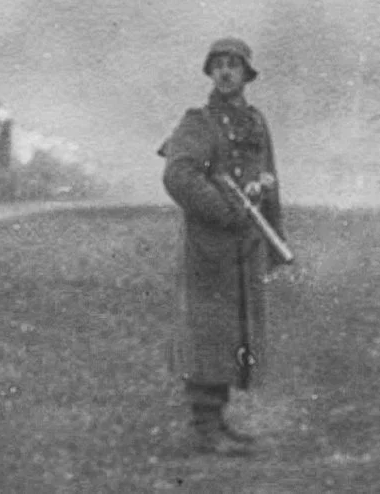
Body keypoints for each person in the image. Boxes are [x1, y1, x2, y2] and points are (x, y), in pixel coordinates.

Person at [157, 37, 286, 457]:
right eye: (219, 66)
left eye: (234, 65)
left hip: (245, 248)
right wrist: (224, 210)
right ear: (211, 73)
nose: (226, 72)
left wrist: (274, 237)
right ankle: (203, 427)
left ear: (247, 75)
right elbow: (178, 175)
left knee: (234, 334)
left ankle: (218, 420)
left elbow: (269, 179)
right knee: (208, 334)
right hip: (210, 249)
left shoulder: (255, 121)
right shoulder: (199, 121)